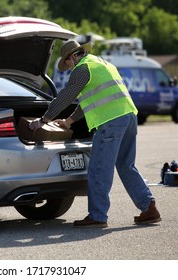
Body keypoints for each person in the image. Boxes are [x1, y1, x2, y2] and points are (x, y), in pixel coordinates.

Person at [29, 38, 161, 228]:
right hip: (128, 116)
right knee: (126, 165)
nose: (68, 67)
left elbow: (66, 96)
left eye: (67, 63)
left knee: (99, 169)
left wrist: (43, 120)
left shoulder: (82, 69)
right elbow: (90, 101)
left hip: (111, 122)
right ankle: (149, 208)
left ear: (73, 56)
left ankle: (98, 216)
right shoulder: (102, 64)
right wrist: (68, 122)